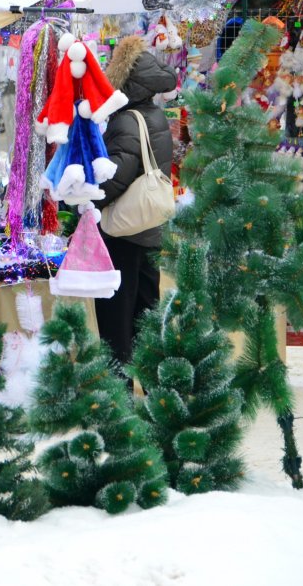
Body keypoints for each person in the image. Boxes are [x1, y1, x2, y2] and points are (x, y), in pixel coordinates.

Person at [94, 36, 177, 365]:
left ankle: (119, 394)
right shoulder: (154, 116)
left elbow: (115, 178)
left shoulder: (127, 121)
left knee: (117, 316)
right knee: (146, 310)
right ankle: (155, 385)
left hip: (124, 234)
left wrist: (83, 201)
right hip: (150, 228)